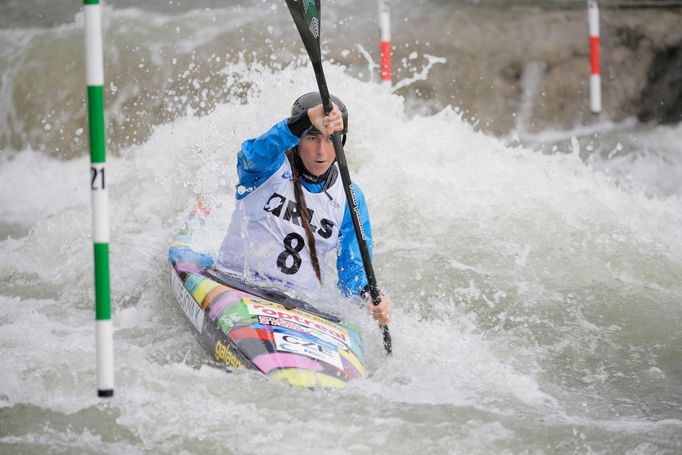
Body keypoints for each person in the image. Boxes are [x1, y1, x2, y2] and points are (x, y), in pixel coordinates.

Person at [217, 92, 391, 325]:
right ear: (297, 139)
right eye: (312, 138)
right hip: (236, 284)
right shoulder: (268, 166)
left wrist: (368, 295)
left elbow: (353, 269)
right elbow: (251, 154)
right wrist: (304, 120)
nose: (322, 151)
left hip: (300, 308)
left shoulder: (349, 196)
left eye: (331, 139)